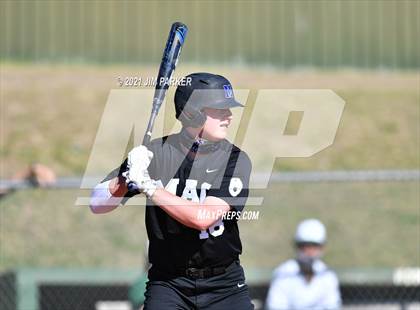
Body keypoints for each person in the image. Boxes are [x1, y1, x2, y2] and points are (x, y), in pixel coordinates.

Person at [90, 73, 254, 309]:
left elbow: (202, 218)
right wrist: (126, 178)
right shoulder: (157, 153)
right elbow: (97, 203)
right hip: (169, 283)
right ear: (191, 113)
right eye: (219, 109)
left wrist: (148, 186)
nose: (229, 116)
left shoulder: (235, 159)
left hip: (224, 286)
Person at [265, 219, 341, 310]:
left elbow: (332, 306)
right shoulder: (283, 273)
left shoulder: (328, 276)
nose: (309, 252)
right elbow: (276, 306)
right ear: (297, 246)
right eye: (305, 246)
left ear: (321, 248)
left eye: (314, 246)